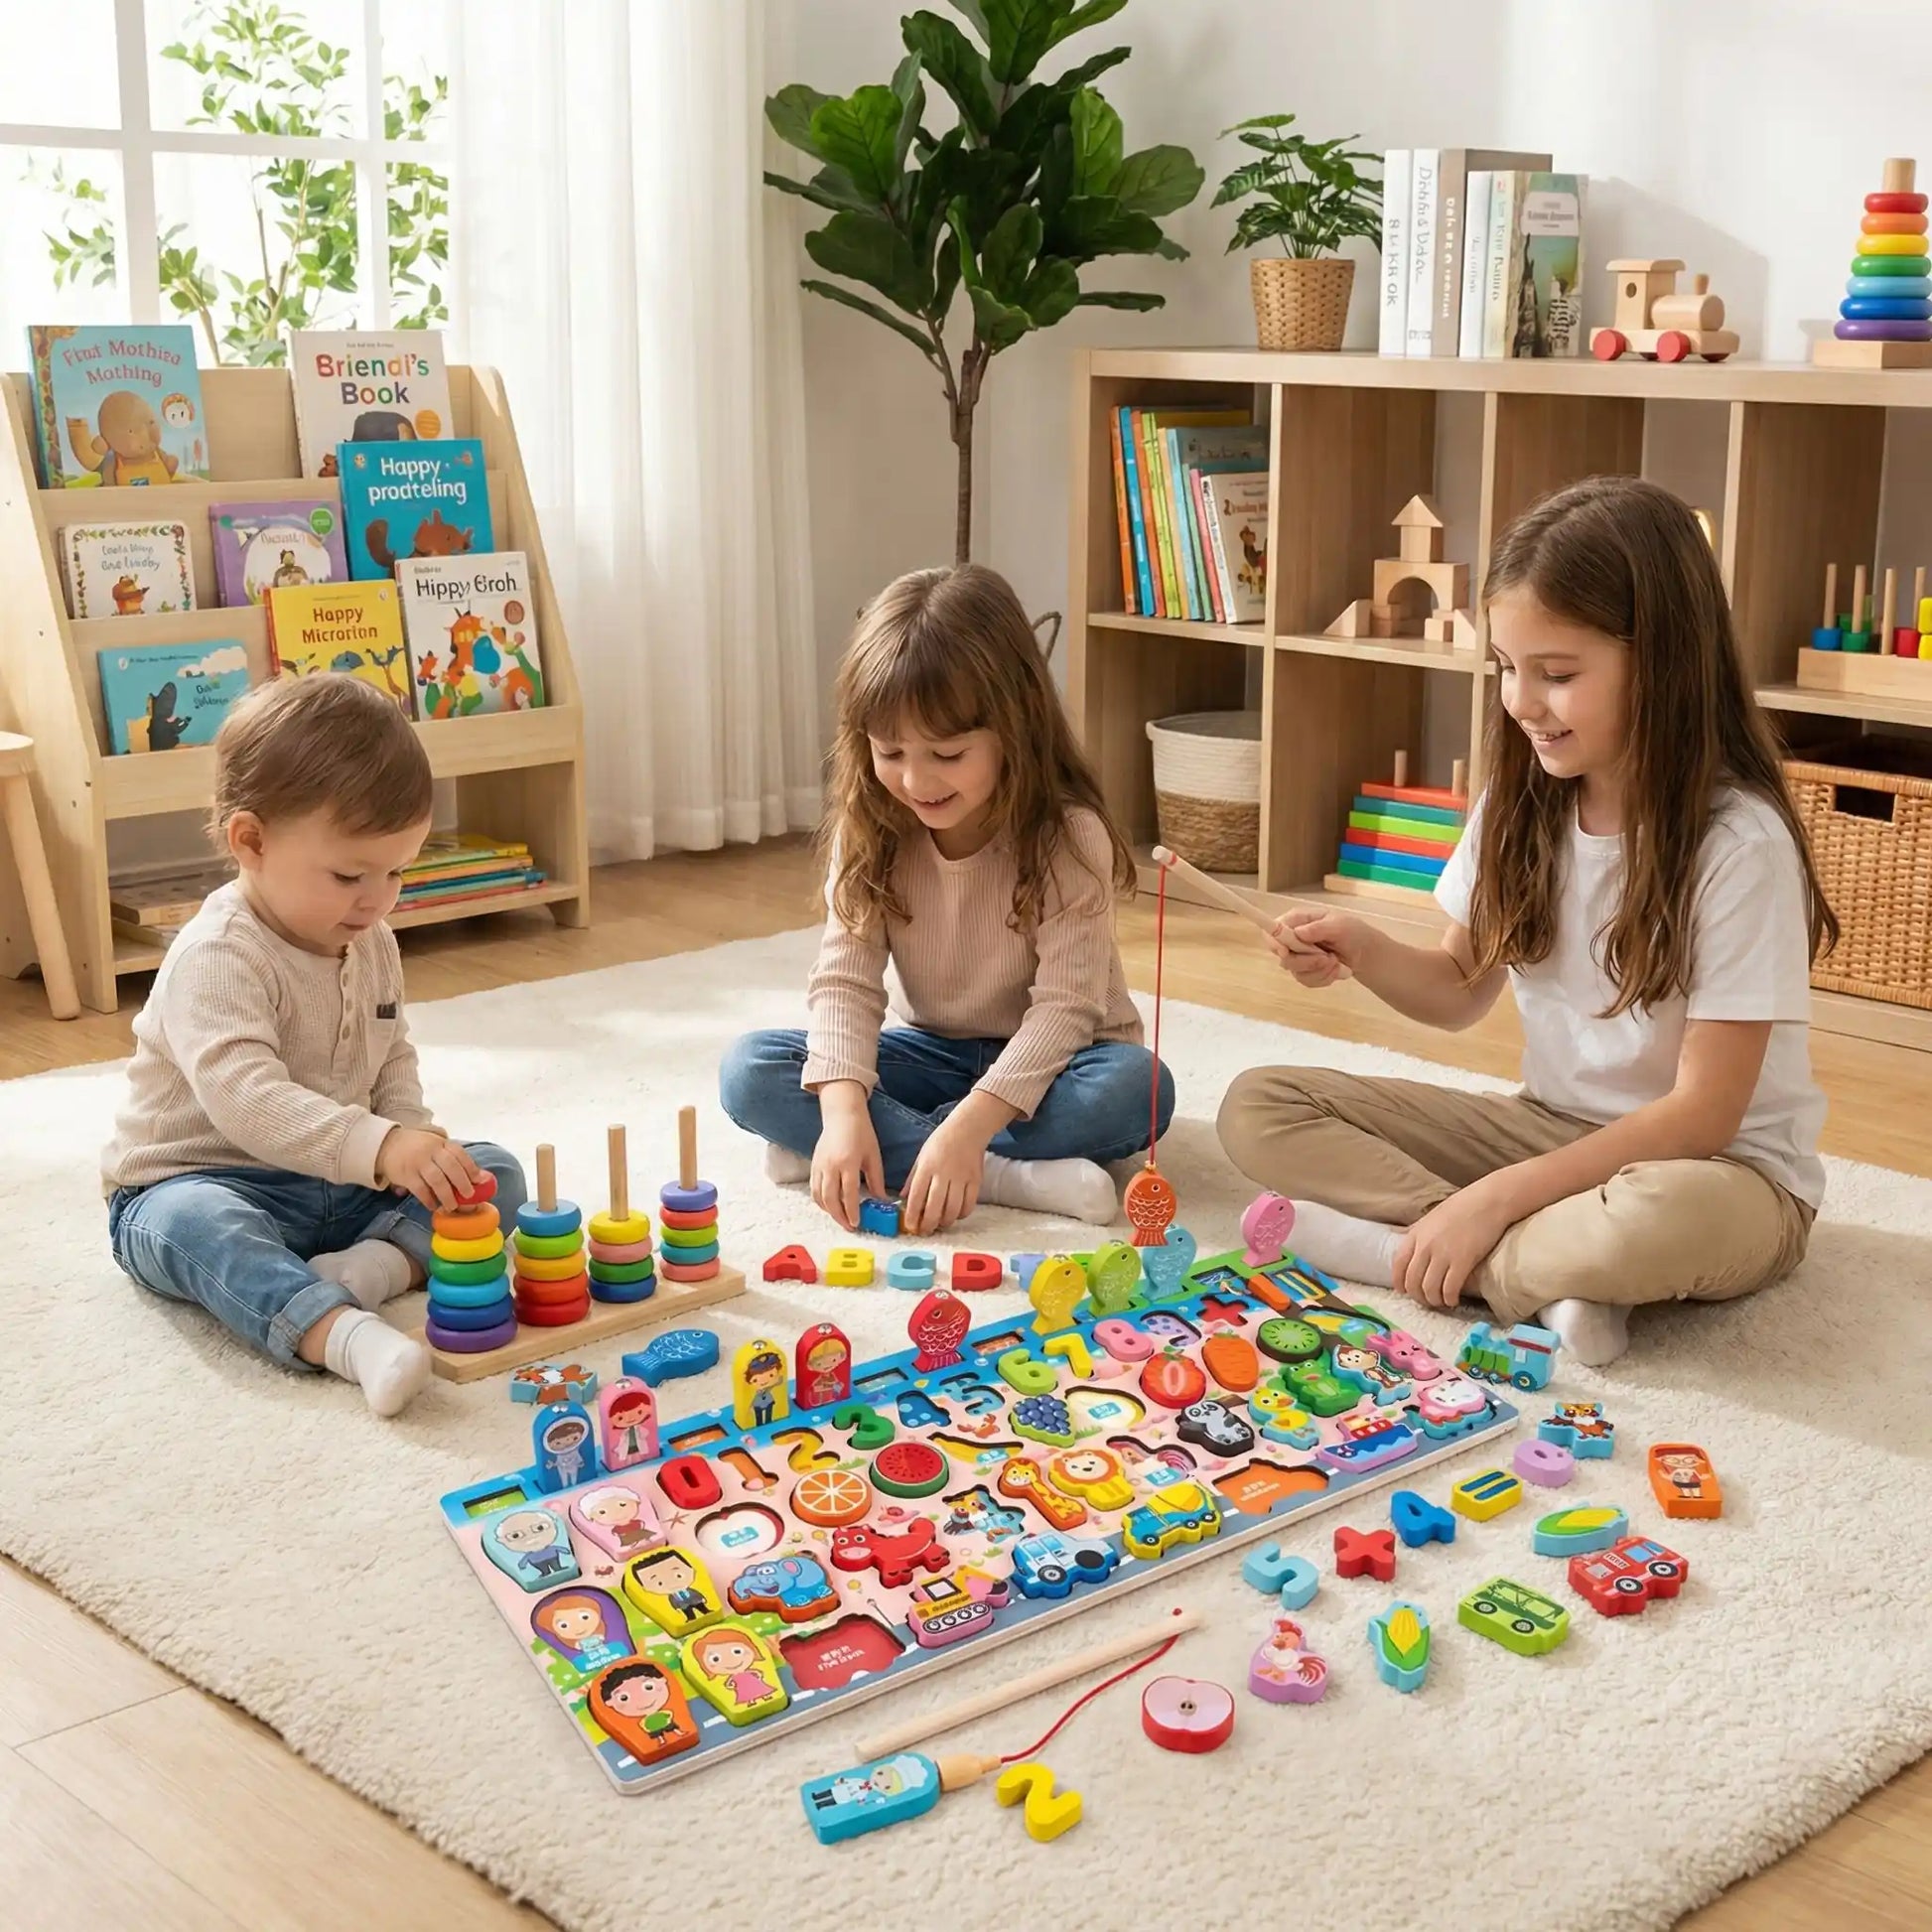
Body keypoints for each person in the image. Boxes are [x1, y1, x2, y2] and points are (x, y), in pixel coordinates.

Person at [1218, 477, 1833, 1367]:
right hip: (1554, 1130)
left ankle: (1412, 1253)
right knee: (1260, 1106)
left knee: (1644, 1226)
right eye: (1507, 667)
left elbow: (1703, 1114)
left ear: (1662, 661)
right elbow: (1459, 989)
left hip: (1721, 1173)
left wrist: (1499, 1196)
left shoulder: (1739, 843)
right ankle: (1517, 1271)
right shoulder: (1522, 798)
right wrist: (1363, 950)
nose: (1521, 701)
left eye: (1557, 675)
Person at [101, 675, 526, 1415]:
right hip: (204, 1179)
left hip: (338, 1186)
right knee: (195, 1228)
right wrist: (380, 1144)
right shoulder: (218, 954)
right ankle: (343, 1335)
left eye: (398, 871)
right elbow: (247, 1101)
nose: (378, 898)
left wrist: (411, 1138)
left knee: (491, 1173)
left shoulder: (370, 936)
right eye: (349, 874)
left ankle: (369, 1268)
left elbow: (390, 1052)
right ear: (251, 841)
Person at [720, 564, 1173, 1235]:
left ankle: (920, 1154)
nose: (914, 779)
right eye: (890, 750)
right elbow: (845, 981)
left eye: (948, 753)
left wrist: (968, 1128)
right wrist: (844, 1114)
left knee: (1138, 1090)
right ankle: (1005, 1177)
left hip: (1064, 1061)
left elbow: (1065, 1011)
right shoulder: (871, 826)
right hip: (934, 1053)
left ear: (1014, 728)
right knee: (751, 1070)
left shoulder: (1067, 836)